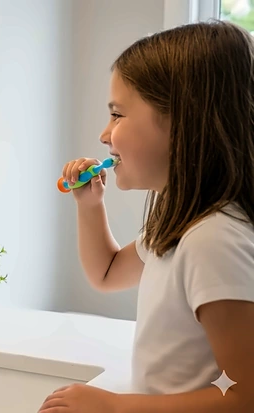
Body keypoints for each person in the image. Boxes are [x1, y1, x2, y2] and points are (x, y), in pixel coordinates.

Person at [40, 21, 254, 412]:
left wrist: (114, 407)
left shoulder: (214, 239)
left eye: (118, 115)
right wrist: (90, 205)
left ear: (182, 122)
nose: (105, 135)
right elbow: (105, 274)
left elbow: (246, 397)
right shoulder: (179, 224)